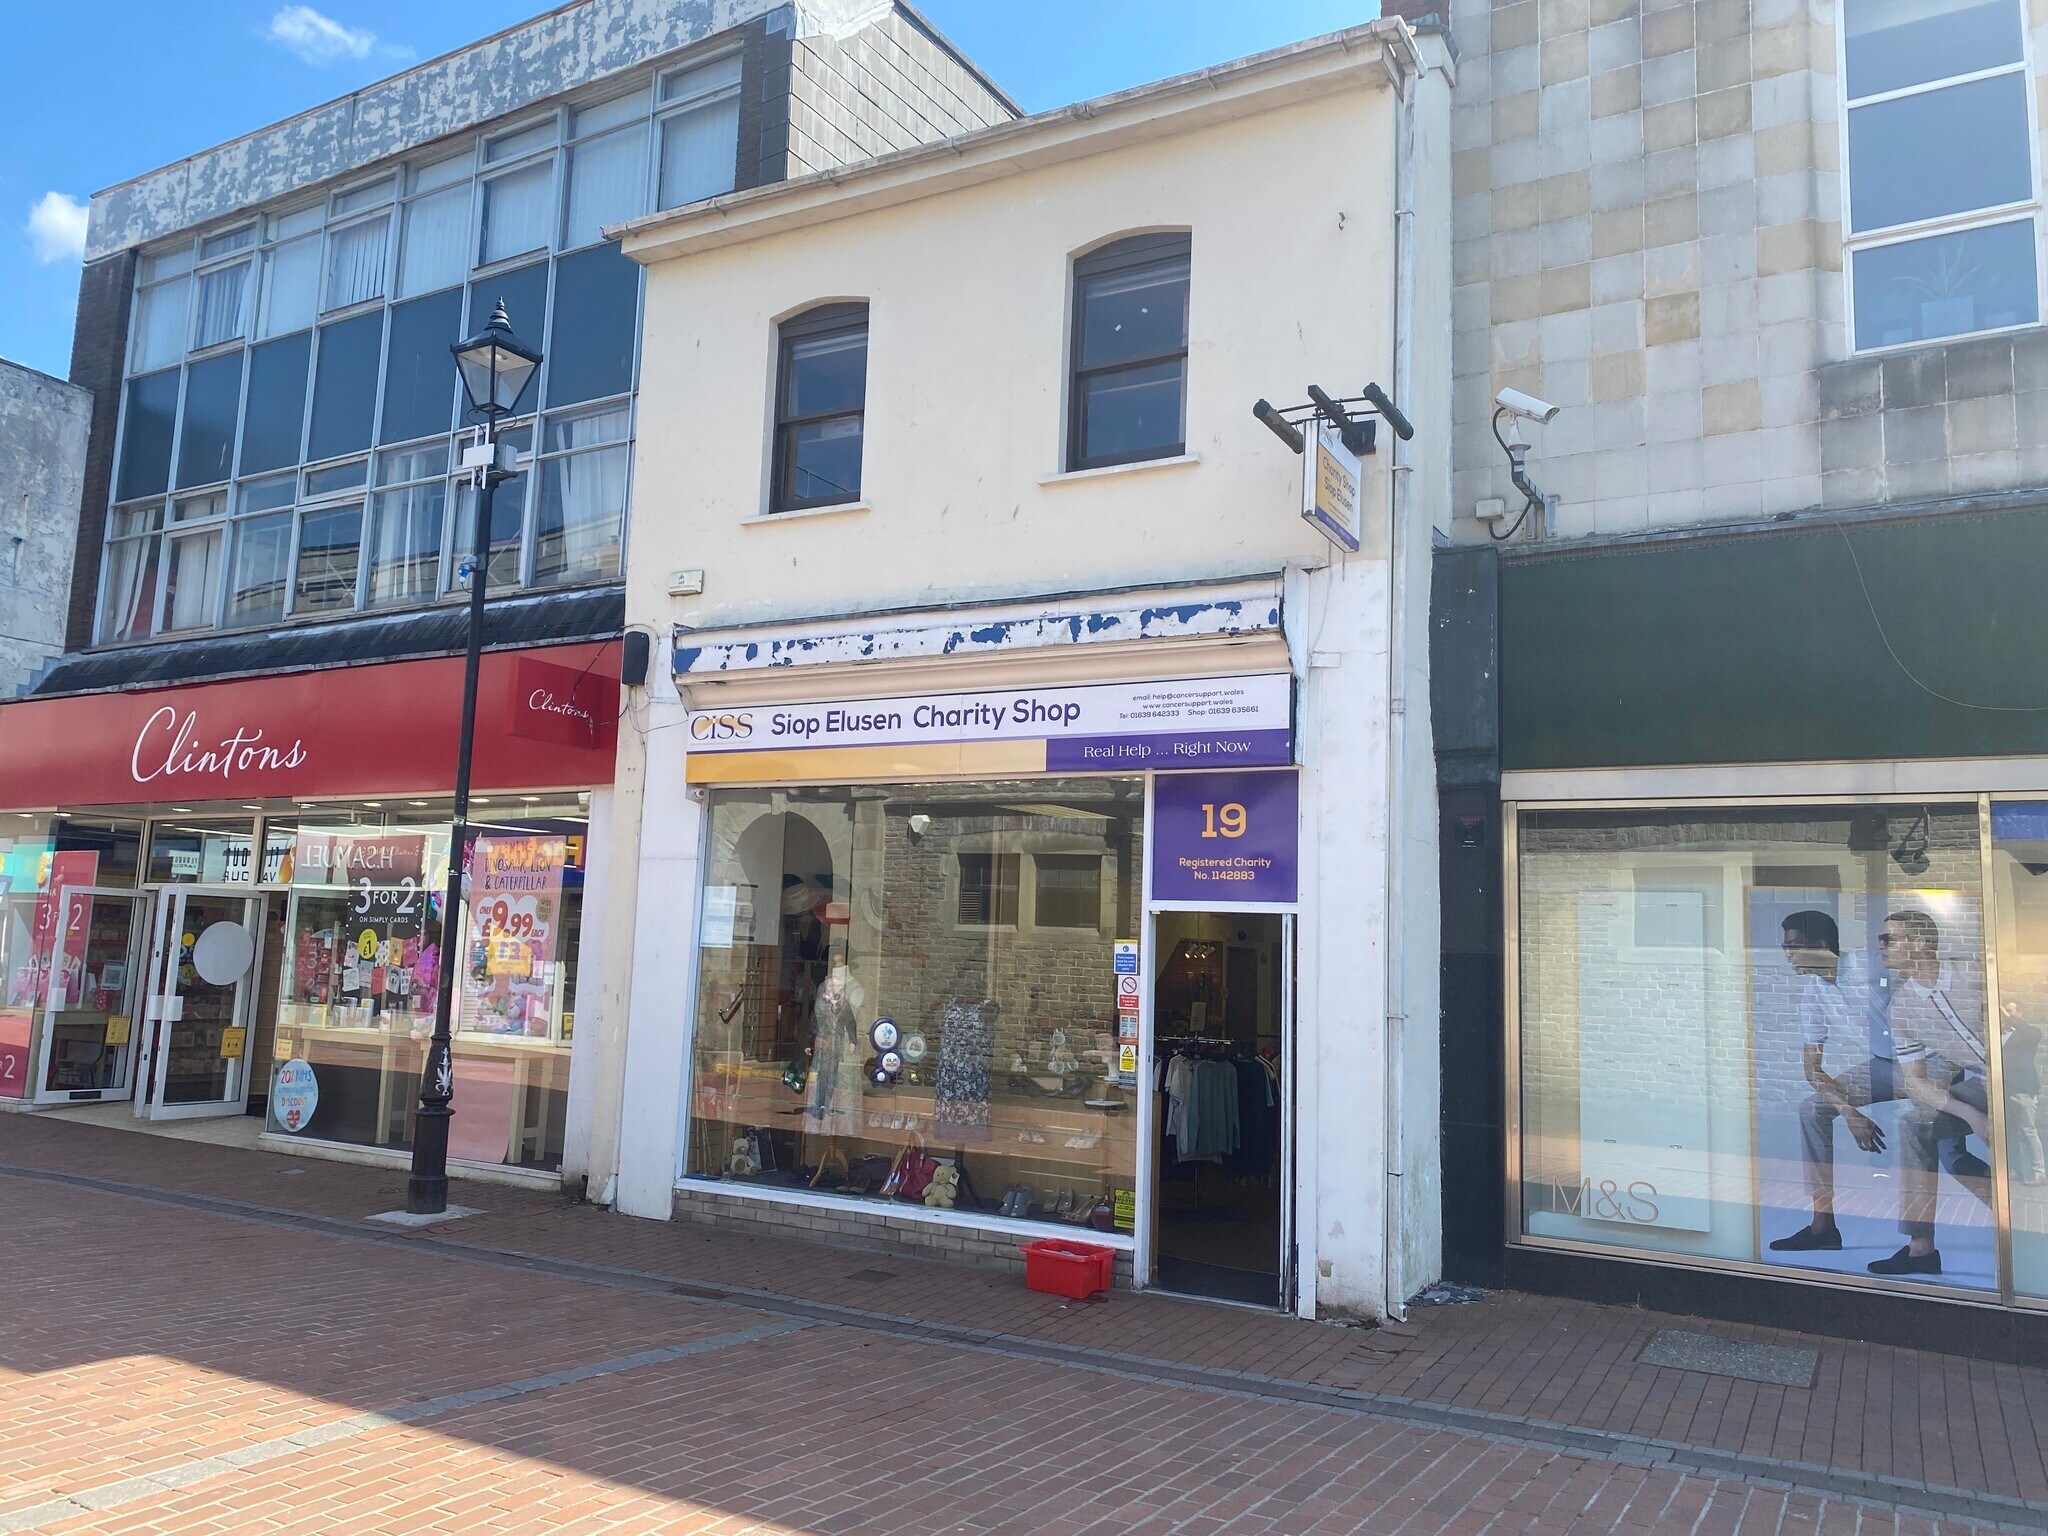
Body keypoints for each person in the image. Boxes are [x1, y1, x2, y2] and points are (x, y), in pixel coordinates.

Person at [1870, 907, 1992, 1277]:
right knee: (1915, 1123)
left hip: (2029, 1073)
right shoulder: (1902, 1006)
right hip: (1985, 1085)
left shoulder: (1974, 973)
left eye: (1889, 939)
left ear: (1920, 943)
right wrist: (1972, 1114)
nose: (1881, 946)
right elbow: (1916, 1082)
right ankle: (1921, 1249)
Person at [1770, 910, 1897, 1253]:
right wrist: (1849, 1111)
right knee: (1813, 1109)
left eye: (1794, 945)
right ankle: (1823, 1226)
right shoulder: (1813, 994)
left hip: (1932, 1064)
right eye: (1784, 946)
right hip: (1886, 1067)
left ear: (1822, 945)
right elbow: (1812, 1069)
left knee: (1954, 1152)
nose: (1787, 954)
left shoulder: (1871, 966)